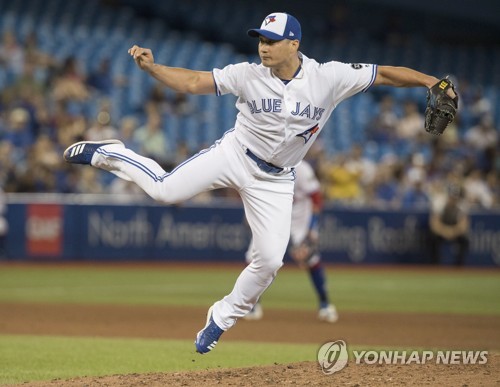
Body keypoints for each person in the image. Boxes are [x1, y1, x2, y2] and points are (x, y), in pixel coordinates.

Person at [63, 12, 457, 354]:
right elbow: (191, 82)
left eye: (271, 41)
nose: (263, 47)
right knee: (165, 190)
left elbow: (385, 74)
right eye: (260, 40)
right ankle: (111, 152)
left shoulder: (329, 77)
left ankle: (220, 318)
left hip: (277, 180)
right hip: (235, 155)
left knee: (270, 259)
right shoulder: (247, 75)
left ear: (294, 44)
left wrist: (430, 81)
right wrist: (153, 69)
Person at [244, 160, 338, 323]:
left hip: (298, 220)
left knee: (311, 260)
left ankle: (325, 305)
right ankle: (253, 305)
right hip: (274, 217)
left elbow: (316, 198)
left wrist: (312, 228)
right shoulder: (265, 164)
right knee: (253, 258)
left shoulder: (302, 168)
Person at [429, 187, 469, 266]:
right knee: (432, 238)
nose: (453, 200)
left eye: (455, 198)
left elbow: (463, 226)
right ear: (447, 197)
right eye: (451, 197)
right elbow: (434, 224)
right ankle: (435, 266)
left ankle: (459, 266)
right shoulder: (439, 204)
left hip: (454, 232)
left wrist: (452, 232)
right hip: (442, 231)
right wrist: (445, 232)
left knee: (465, 240)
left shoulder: (462, 206)